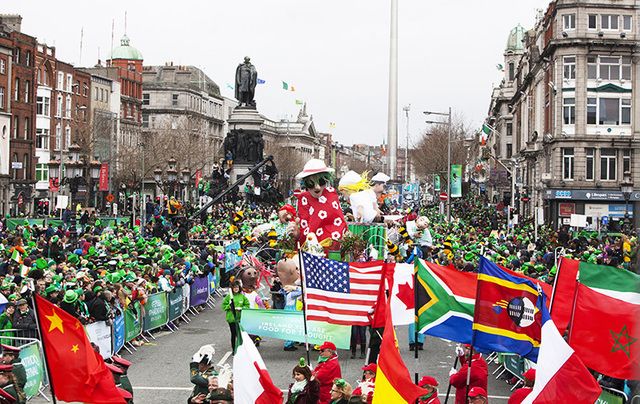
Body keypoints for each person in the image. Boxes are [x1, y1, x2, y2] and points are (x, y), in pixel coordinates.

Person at [292, 159, 347, 248]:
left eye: (321, 182)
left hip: (335, 247)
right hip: (312, 248)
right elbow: (304, 227)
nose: (317, 187)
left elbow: (340, 220)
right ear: (305, 184)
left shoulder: (331, 193)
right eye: (311, 183)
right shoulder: (303, 198)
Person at [221, 281, 249, 350]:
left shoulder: (242, 296)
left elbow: (247, 305)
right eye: (234, 287)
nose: (236, 289)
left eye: (237, 287)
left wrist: (242, 308)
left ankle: (241, 348)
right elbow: (223, 306)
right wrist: (230, 307)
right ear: (232, 288)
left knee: (241, 334)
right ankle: (234, 349)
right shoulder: (229, 297)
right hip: (232, 319)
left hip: (240, 319)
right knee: (234, 334)